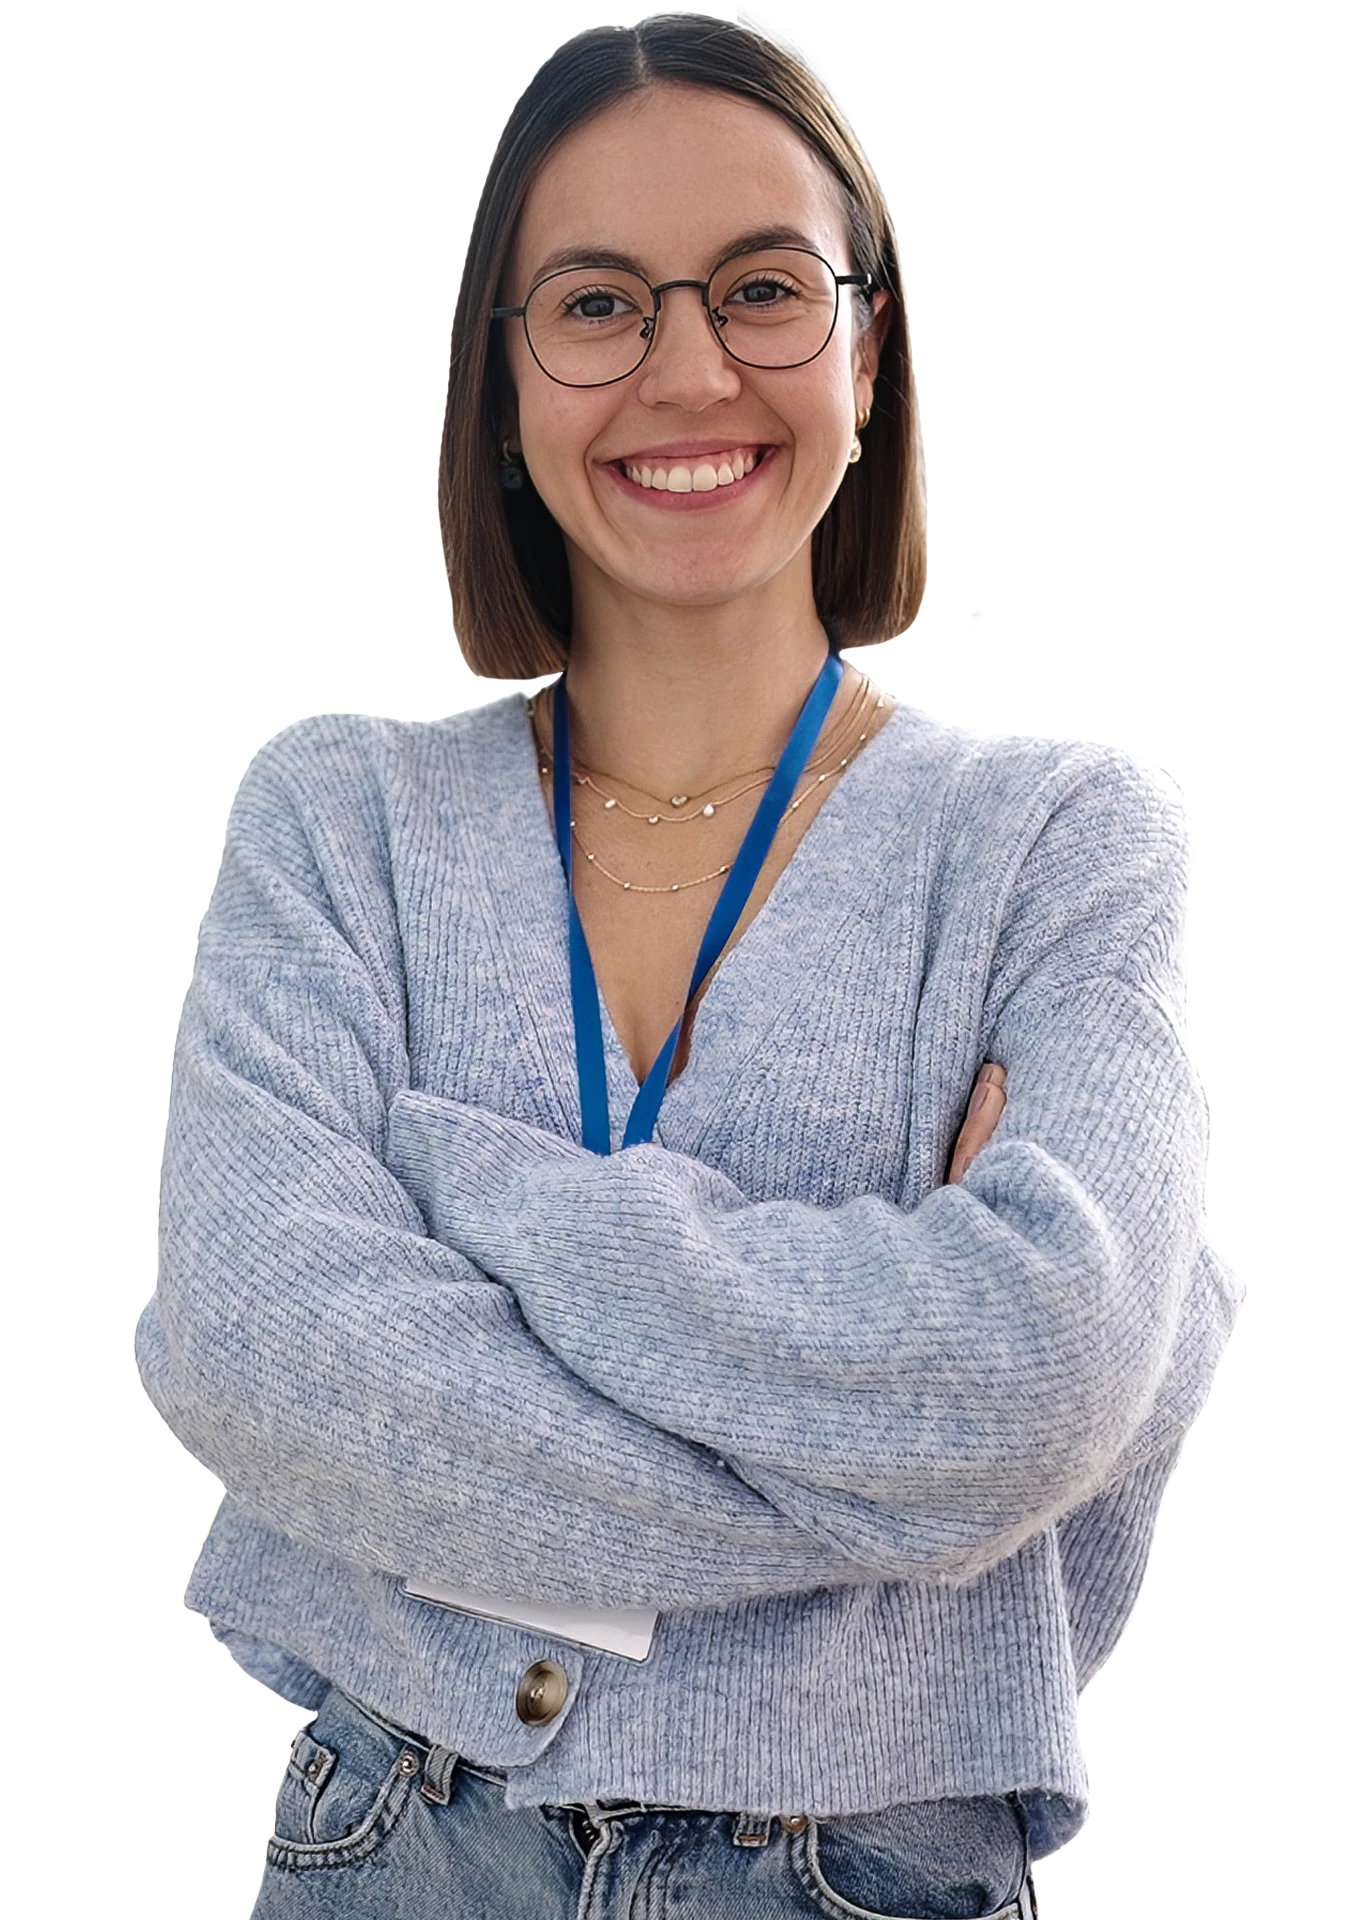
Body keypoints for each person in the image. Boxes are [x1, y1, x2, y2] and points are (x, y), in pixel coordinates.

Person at [131, 12, 1244, 1918]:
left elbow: (1045, 1375)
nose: (686, 368)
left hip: (858, 1878)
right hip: (392, 1842)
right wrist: (892, 1463)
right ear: (500, 379)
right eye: (595, 304)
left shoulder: (1061, 841)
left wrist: (489, 1209)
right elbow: (248, 1341)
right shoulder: (341, 820)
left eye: (760, 288)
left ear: (870, 347)